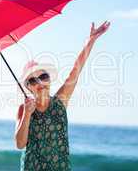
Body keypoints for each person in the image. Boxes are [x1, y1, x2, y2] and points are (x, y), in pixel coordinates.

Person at [15, 21, 110, 171]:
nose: (40, 82)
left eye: (43, 76)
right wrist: (27, 115)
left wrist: (90, 41)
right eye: (33, 80)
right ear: (28, 87)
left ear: (49, 79)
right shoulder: (24, 109)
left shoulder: (60, 101)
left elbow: (75, 71)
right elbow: (20, 144)